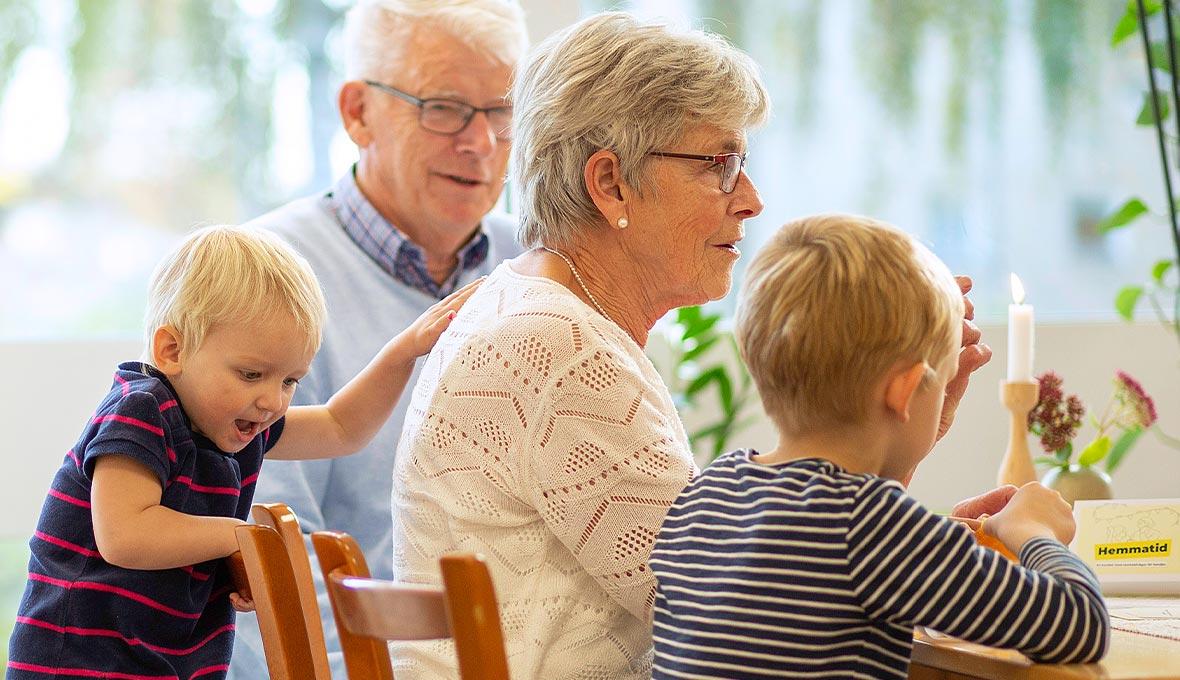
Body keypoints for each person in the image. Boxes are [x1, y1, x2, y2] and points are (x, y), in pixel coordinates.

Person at [390, 12, 996, 680]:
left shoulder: (539, 313)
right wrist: (936, 561)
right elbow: (749, 621)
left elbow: (758, 590)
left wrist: (891, 449)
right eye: (720, 166)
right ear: (610, 182)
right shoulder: (558, 349)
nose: (753, 201)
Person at [649, 214, 1110, 680]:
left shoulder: (707, 497)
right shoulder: (869, 526)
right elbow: (1079, 626)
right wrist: (1034, 530)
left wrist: (950, 543)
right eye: (945, 376)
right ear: (905, 391)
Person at [6, 225, 477, 680]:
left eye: (290, 380)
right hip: (79, 660)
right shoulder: (142, 412)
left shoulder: (236, 428)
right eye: (252, 374)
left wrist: (402, 353)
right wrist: (242, 539)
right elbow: (124, 533)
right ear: (172, 350)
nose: (273, 400)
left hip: (168, 659)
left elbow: (340, 428)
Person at [227, 1, 528, 676]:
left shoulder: (539, 266)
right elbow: (274, 559)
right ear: (358, 112)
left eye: (502, 112)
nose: (480, 142)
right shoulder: (263, 278)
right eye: (445, 107)